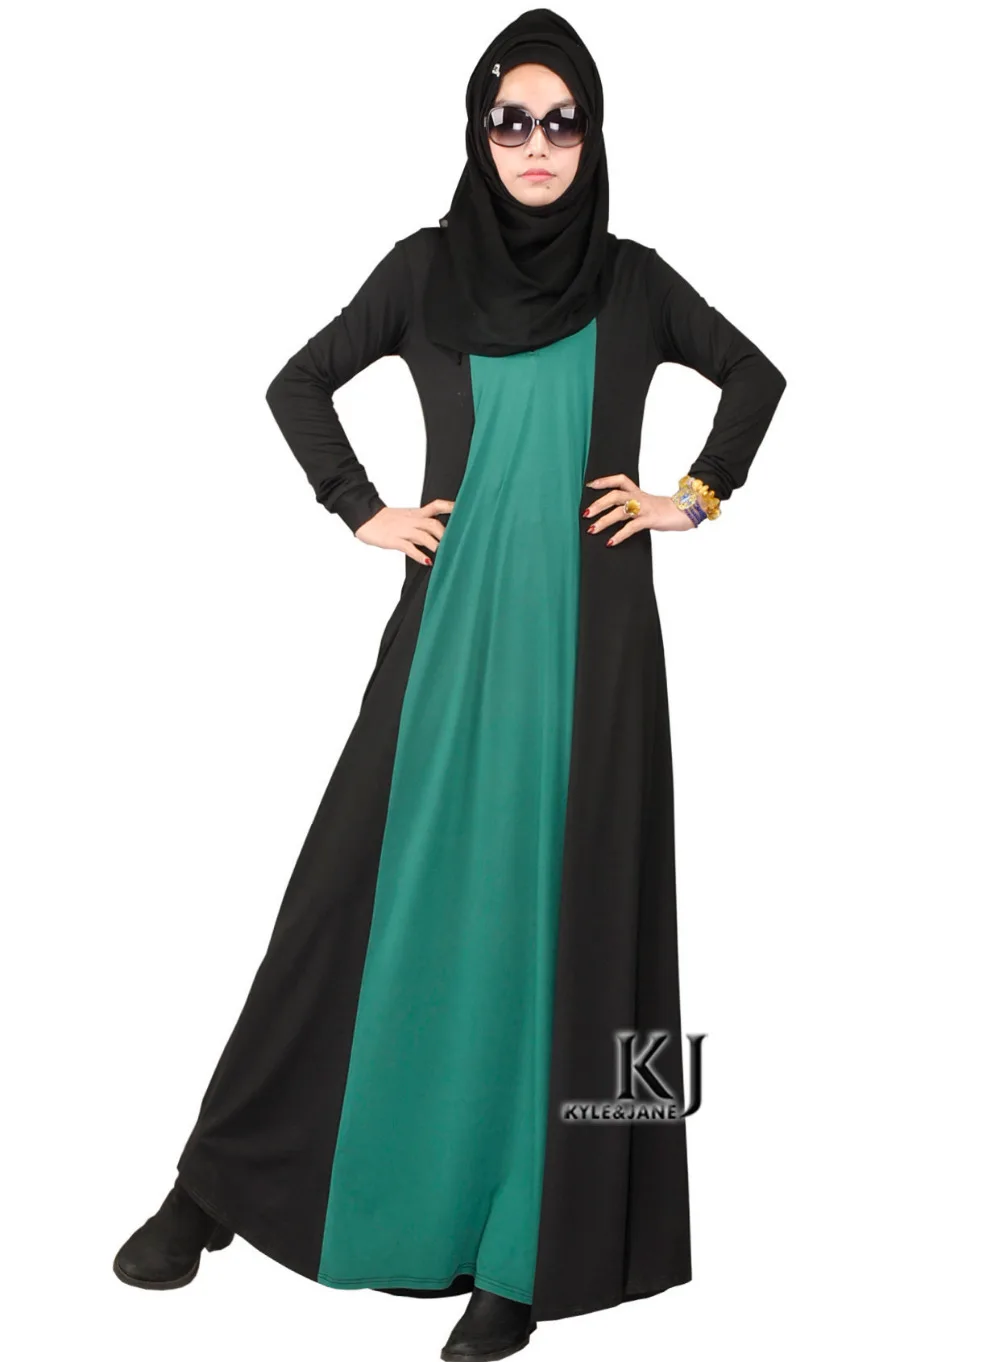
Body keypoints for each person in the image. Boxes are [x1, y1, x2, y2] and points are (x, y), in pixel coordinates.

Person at [113, 8, 786, 1359]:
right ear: (478, 135)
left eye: (563, 121)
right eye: (510, 120)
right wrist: (360, 508)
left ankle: (540, 1248)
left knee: (583, 925)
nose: (537, 144)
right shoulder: (424, 270)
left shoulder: (636, 282)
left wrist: (695, 497)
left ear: (594, 137)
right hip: (444, 641)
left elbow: (756, 379)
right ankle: (219, 1184)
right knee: (342, 900)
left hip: (593, 665)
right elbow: (300, 383)